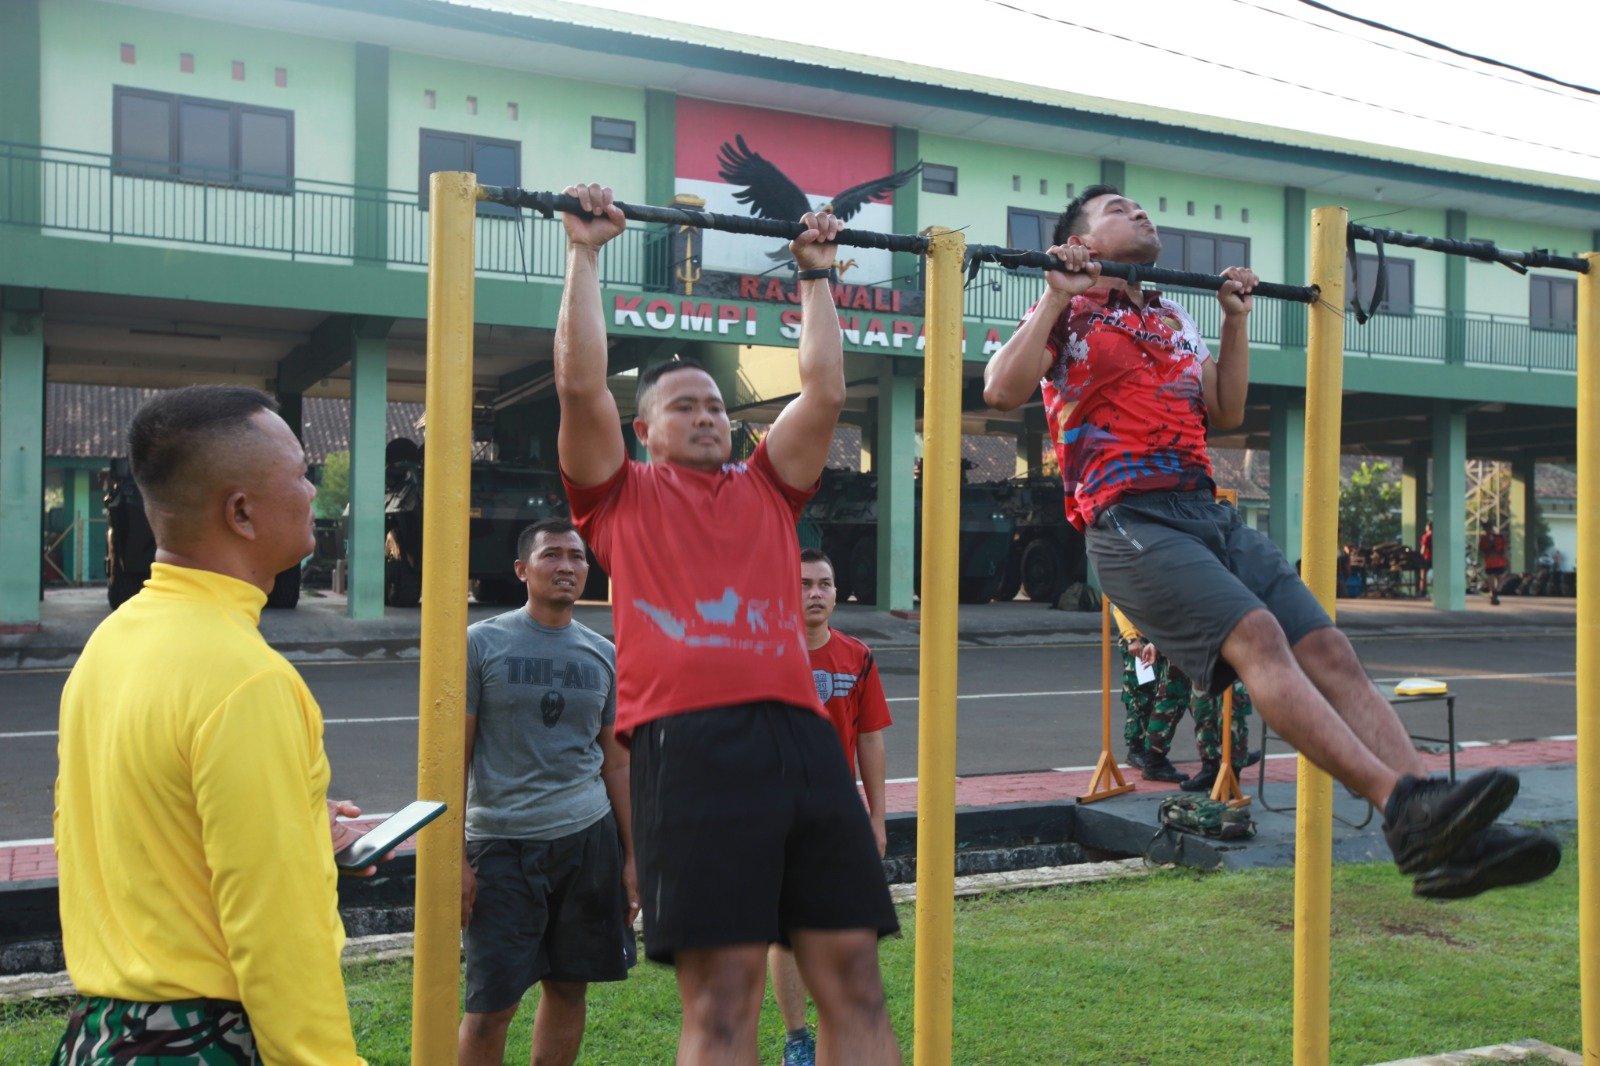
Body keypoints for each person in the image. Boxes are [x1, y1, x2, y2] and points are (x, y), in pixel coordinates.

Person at [982, 185, 1560, 899]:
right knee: (1257, 636)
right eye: (1116, 208)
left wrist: (1232, 320)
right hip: (1129, 519)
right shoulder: (1065, 313)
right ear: (1082, 241)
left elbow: (1224, 409)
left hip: (1205, 510)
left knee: (1329, 648)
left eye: (1140, 206)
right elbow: (1001, 391)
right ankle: (1402, 806)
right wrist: (1053, 295)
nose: (1138, 212)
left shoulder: (1171, 315)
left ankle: (1448, 827)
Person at [553, 183, 900, 1064]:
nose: (708, 416)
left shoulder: (768, 490)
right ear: (644, 430)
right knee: (723, 999)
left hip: (802, 739)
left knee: (855, 981)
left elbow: (823, 390)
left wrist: (815, 277)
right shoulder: (617, 495)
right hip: (693, 746)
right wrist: (585, 254)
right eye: (684, 407)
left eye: (715, 405)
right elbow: (577, 381)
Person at [52, 386, 364, 1063]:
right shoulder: (247, 679)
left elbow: (139, 831)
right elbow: (278, 936)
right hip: (195, 1042)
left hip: (103, 1034)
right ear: (242, 511)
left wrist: (302, 824)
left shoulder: (111, 643)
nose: (314, 492)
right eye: (302, 473)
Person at [457, 518, 636, 1066]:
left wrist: (634, 857)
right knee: (491, 1007)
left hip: (587, 839)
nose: (567, 566)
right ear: (521, 570)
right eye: (552, 555)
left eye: (577, 557)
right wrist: (454, 859)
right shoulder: (480, 643)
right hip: (501, 845)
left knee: (568, 988)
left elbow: (617, 761)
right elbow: (454, 759)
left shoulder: (602, 652)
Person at [768, 547, 893, 1066]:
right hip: (775, 816)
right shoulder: (764, 654)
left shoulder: (857, 656)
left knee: (841, 931)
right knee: (786, 934)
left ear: (837, 593)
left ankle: (837, 1032)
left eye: (824, 584)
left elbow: (869, 740)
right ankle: (798, 1041)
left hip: (837, 819)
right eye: (803, 584)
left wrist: (877, 817)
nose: (815, 593)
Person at [1479, 523, 1509, 605]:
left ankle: (1494, 595)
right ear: (1492, 528)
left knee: (1491, 580)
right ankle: (1496, 595)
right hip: (1500, 562)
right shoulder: (1499, 537)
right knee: (1501, 580)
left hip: (1489, 562)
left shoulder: (1483, 539)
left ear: (1484, 529)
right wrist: (1508, 561)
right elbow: (1504, 551)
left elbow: (1481, 551)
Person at [1418, 520, 1433, 596]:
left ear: (1428, 527)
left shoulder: (1426, 536)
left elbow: (1423, 548)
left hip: (1427, 558)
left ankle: (1423, 591)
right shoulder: (1436, 536)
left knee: (1423, 574)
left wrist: (1420, 556)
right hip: (1436, 559)